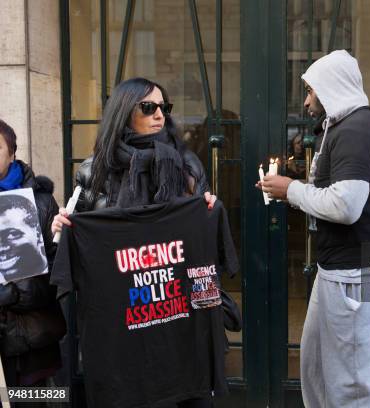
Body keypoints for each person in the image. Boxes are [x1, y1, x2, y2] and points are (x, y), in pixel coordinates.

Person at [51, 77, 217, 408]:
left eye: (164, 107)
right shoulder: (93, 171)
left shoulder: (186, 165)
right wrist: (62, 227)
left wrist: (208, 214)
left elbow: (200, 250)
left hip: (176, 311)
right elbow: (76, 241)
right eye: (148, 107)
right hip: (122, 321)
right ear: (126, 112)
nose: (160, 114)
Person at [259, 50, 370, 408]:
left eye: (311, 91)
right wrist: (293, 186)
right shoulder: (345, 126)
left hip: (356, 270)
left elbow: (345, 206)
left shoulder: (355, 131)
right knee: (318, 367)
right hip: (339, 268)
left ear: (330, 88)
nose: (307, 101)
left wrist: (289, 190)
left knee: (350, 383)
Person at [0, 119, 66, 394]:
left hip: (31, 338)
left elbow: (57, 272)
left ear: (12, 153)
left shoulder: (39, 202)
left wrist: (13, 293)